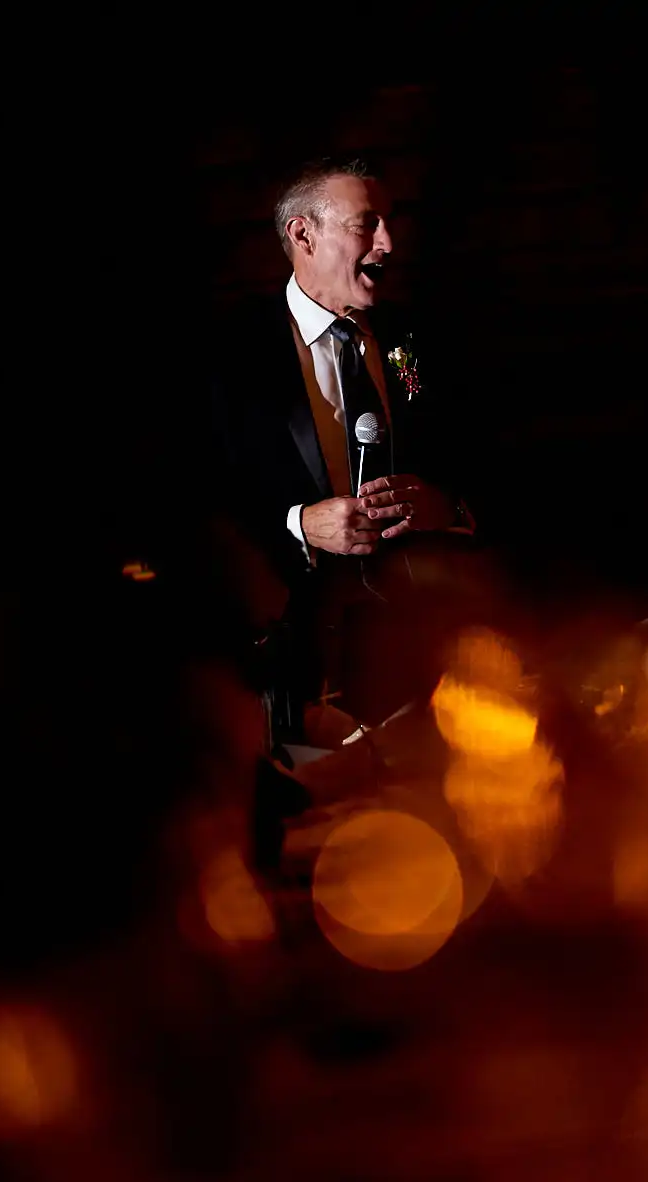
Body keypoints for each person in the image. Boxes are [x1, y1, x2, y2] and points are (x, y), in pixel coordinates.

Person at [208, 157, 474, 743]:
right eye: (367, 223)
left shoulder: (410, 339)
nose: (389, 241)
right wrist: (299, 522)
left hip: (424, 657)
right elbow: (193, 496)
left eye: (390, 222)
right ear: (302, 234)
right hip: (292, 668)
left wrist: (445, 507)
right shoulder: (229, 353)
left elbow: (473, 457)